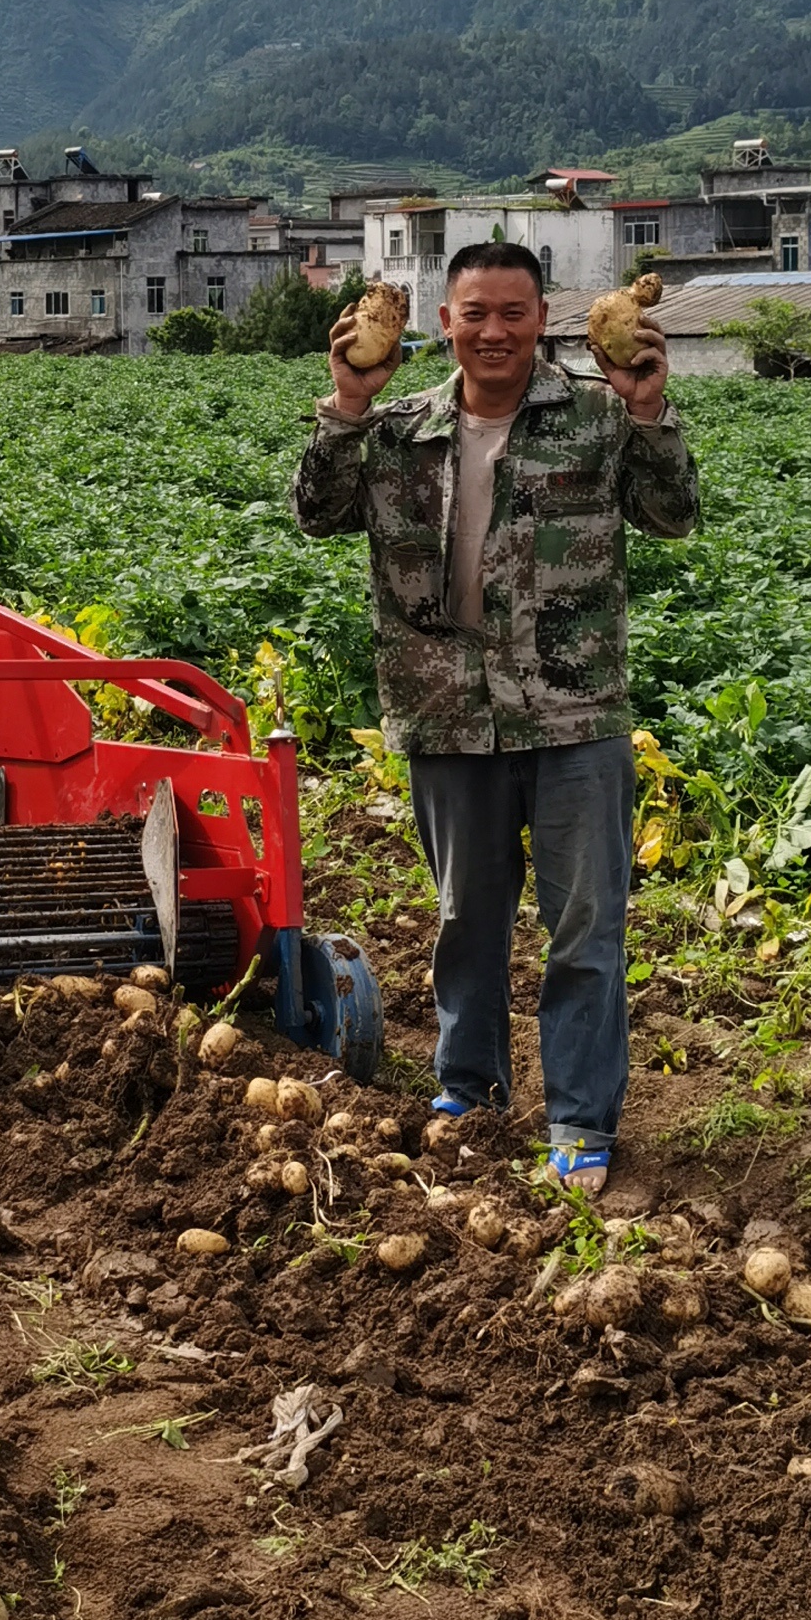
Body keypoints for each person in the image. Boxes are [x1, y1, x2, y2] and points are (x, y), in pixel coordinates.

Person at [292, 242, 699, 1196]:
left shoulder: (598, 417)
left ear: (543, 320)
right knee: (465, 920)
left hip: (574, 714)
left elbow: (673, 515)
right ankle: (468, 1090)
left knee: (585, 926)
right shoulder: (398, 431)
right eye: (475, 313)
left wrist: (649, 409)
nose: (494, 332)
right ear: (445, 323)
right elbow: (316, 511)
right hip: (447, 714)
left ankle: (579, 1119)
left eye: (514, 313)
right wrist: (346, 404)